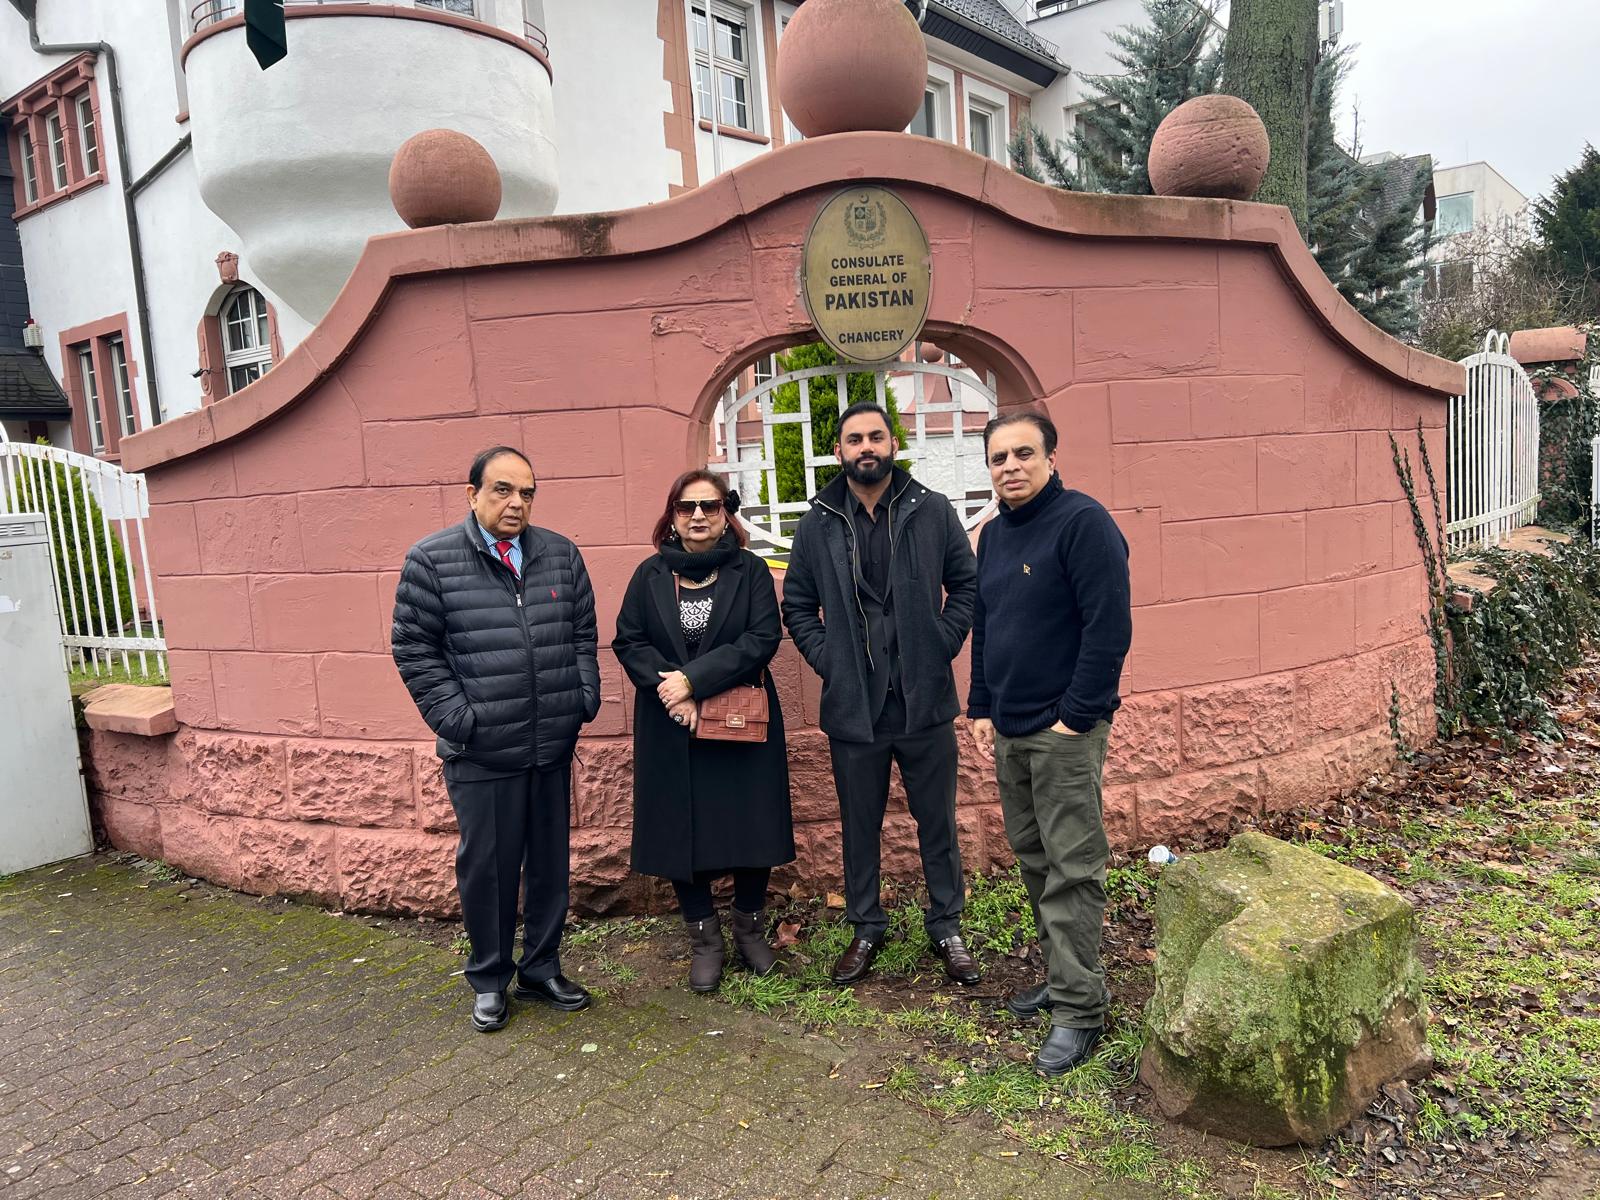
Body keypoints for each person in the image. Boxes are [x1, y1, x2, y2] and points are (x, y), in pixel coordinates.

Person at [391, 446, 602, 1033]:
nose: (516, 503)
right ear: (473, 494)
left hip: (551, 743)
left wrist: (582, 697)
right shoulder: (432, 560)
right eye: (503, 490)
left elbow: (582, 633)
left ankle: (541, 968)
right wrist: (459, 719)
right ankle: (489, 978)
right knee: (488, 870)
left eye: (527, 492)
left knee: (549, 867)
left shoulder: (560, 554)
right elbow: (414, 649)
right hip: (482, 752)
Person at [781, 401, 979, 987]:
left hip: (924, 701)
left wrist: (940, 643)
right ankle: (866, 925)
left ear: (893, 444)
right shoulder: (817, 523)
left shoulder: (932, 510)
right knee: (859, 825)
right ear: (838, 451)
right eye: (854, 439)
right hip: (854, 708)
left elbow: (965, 586)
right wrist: (832, 663)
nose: (865, 447)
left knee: (937, 822)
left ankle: (946, 925)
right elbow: (798, 605)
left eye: (875, 436)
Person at [967, 410, 1132, 1077]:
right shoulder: (994, 536)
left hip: (1062, 731)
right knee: (1035, 860)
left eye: (1023, 454)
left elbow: (1108, 627)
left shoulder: (1083, 523)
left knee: (1072, 867)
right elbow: (986, 622)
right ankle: (1065, 978)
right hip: (1010, 728)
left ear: (1052, 458)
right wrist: (981, 705)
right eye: (998, 458)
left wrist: (1077, 716)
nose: (1010, 466)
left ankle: (1080, 1011)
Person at [612, 470, 793, 992]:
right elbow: (629, 642)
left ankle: (749, 931)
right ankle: (705, 941)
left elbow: (761, 638)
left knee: (751, 825)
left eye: (710, 506)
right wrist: (673, 692)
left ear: (724, 515)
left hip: (740, 721)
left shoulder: (750, 570)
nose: (698, 516)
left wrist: (693, 682)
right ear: (672, 515)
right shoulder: (648, 575)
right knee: (680, 829)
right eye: (686, 507)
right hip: (672, 724)